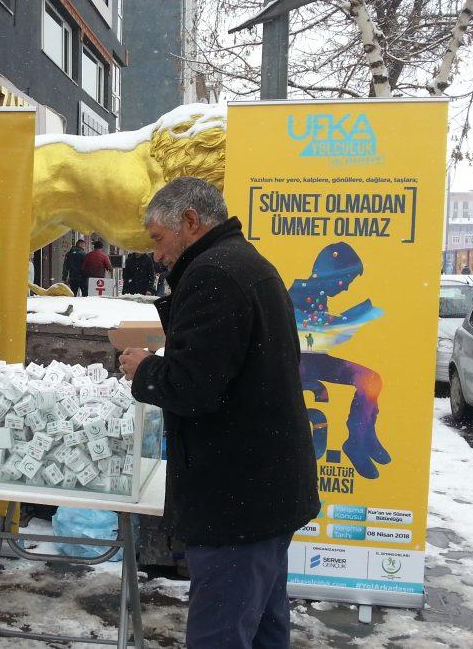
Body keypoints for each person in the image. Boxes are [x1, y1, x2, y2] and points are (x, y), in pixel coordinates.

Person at [119, 177, 320, 649]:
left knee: (221, 634)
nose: (157, 254)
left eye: (157, 238)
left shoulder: (214, 275)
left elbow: (194, 388)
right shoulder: (244, 264)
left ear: (189, 221)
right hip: (263, 491)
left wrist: (144, 368)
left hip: (236, 500)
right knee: (264, 626)